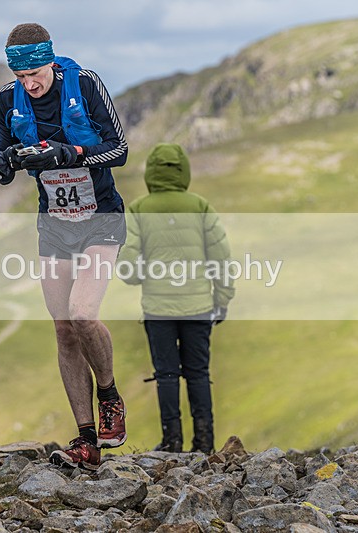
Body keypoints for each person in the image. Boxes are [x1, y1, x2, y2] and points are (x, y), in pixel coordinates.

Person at [0, 23, 129, 469]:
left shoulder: (84, 84)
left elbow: (119, 150)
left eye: (35, 73)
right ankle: (86, 441)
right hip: (54, 224)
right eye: (20, 76)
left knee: (83, 313)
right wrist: (5, 164)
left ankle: (109, 396)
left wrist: (70, 154)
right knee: (64, 328)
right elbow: (1, 161)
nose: (29, 84)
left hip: (101, 217)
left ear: (50, 61)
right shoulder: (7, 100)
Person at [119, 143, 235, 454]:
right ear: (184, 171)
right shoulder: (200, 206)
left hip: (158, 310)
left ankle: (171, 442)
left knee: (167, 375)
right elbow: (221, 257)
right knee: (199, 373)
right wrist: (223, 298)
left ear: (151, 172)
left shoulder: (139, 209)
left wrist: (148, 275)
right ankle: (205, 442)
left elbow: (127, 267)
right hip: (199, 307)